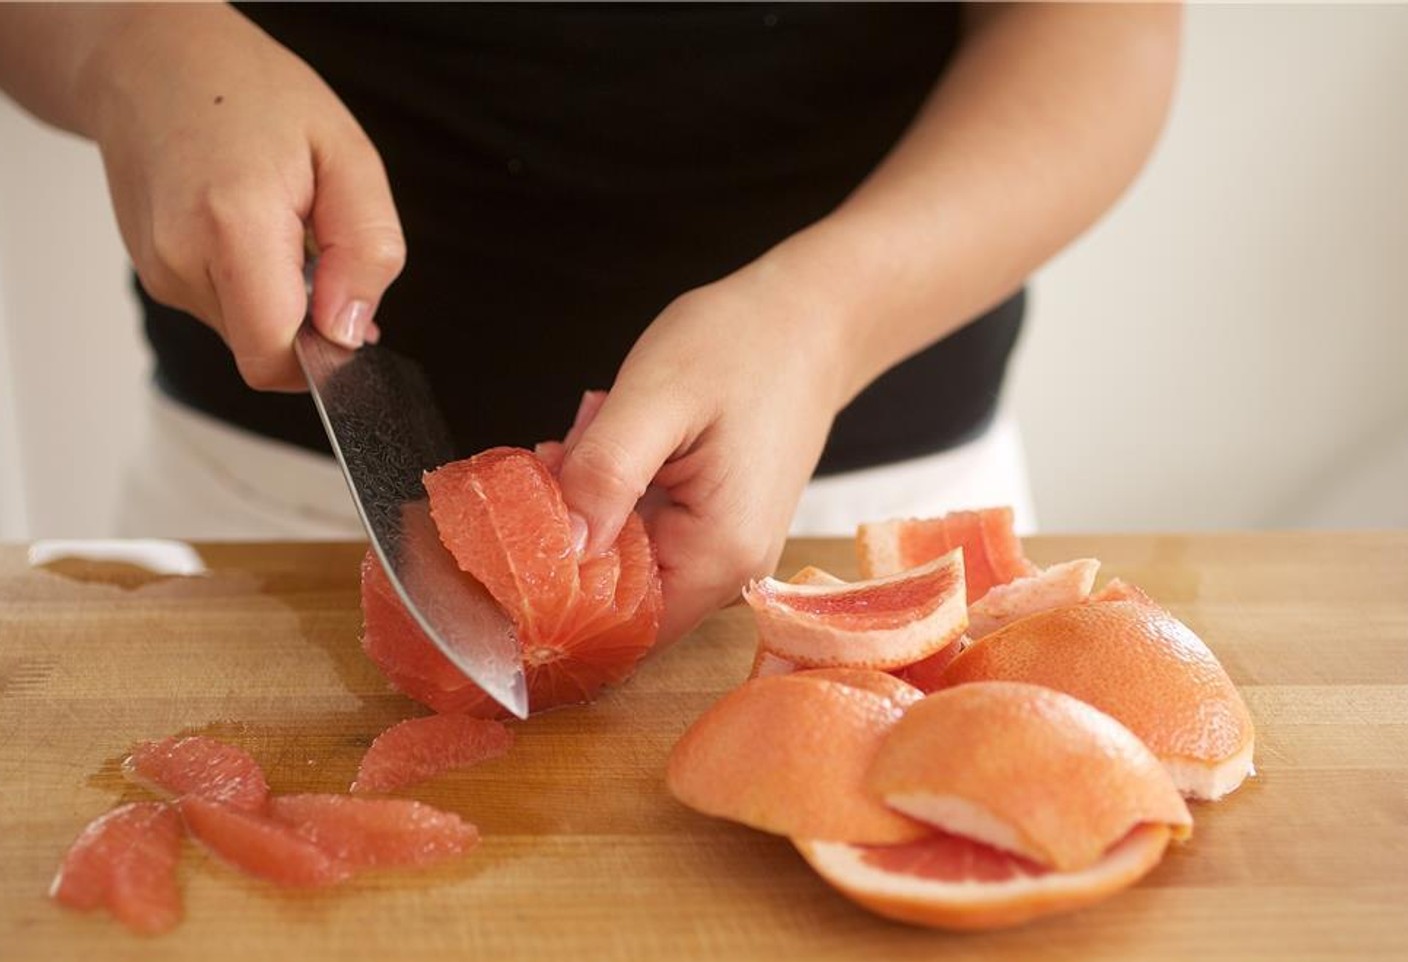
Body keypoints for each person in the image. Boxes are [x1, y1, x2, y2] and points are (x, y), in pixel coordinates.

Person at [0, 3, 1181, 647]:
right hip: (259, 504)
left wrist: (826, 324)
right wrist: (129, 38)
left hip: (866, 499)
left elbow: (1105, 24)